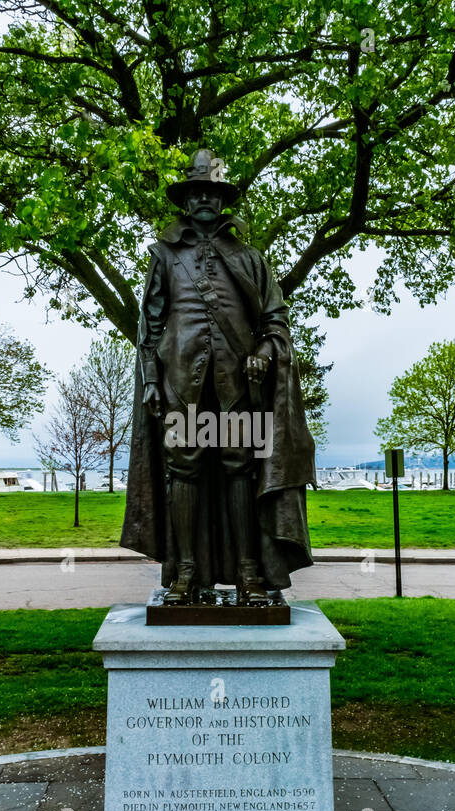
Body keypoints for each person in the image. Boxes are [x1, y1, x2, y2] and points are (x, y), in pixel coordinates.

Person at [119, 149, 316, 605]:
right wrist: (151, 379)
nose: (204, 198)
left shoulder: (250, 258)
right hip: (180, 384)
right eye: (196, 191)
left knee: (238, 469)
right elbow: (148, 327)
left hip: (238, 389)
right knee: (184, 471)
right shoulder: (165, 257)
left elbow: (275, 322)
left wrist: (265, 352)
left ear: (223, 200)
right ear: (186, 201)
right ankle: (186, 573)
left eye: (213, 191)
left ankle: (249, 573)